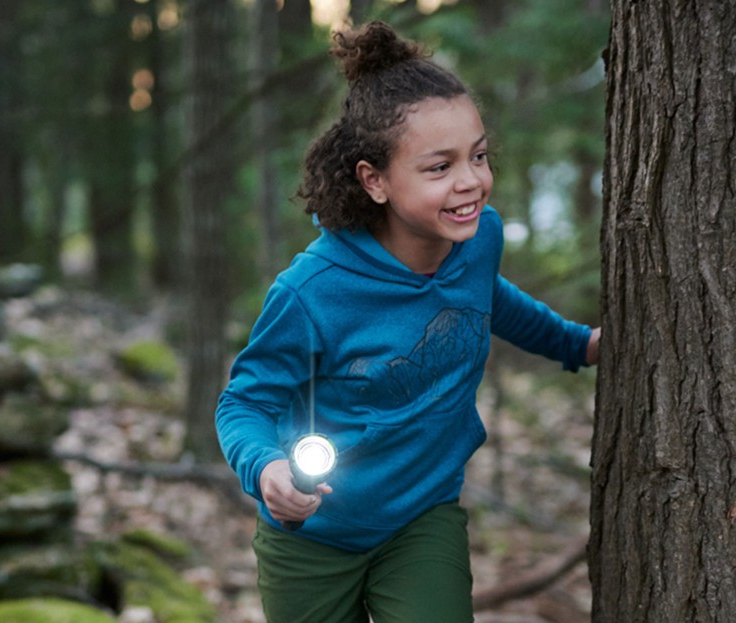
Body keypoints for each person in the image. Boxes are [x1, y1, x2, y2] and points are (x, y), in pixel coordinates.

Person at [214, 20, 602, 622]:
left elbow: (488, 299)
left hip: (422, 518)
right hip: (312, 537)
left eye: (477, 156)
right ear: (375, 180)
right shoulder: (312, 293)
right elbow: (242, 404)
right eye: (439, 167)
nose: (470, 181)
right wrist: (265, 469)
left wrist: (578, 344)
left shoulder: (480, 238)